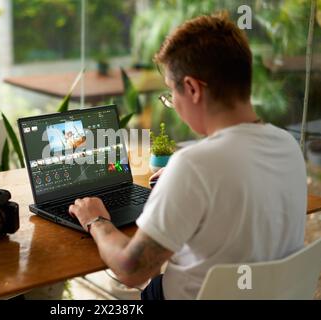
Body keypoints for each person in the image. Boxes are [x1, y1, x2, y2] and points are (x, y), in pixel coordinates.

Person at [68, 12, 307, 300]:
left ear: (192, 88)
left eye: (171, 92)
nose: (172, 103)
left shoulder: (195, 165)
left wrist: (97, 220)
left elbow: (131, 269)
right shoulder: (287, 144)